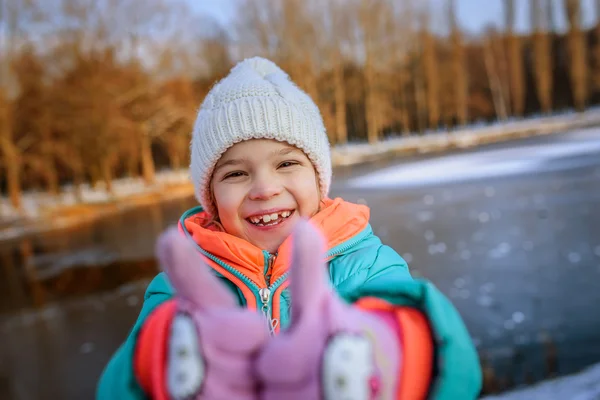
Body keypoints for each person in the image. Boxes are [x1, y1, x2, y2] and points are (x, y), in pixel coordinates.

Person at [97, 57, 482, 400]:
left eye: (286, 164)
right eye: (235, 173)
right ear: (211, 198)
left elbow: (444, 361)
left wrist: (381, 353)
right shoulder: (179, 291)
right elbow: (121, 387)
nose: (265, 189)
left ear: (318, 179)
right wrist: (165, 363)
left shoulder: (368, 265)